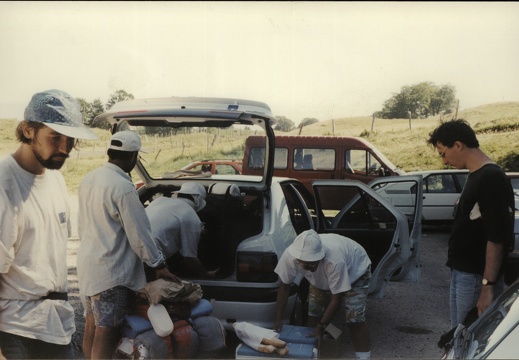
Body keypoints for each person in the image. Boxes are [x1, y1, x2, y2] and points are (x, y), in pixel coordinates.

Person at [0, 89, 97, 358]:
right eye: (55, 138)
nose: (64, 149)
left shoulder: (55, 179)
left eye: (70, 140)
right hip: (15, 332)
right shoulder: (4, 185)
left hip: (57, 326)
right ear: (28, 130)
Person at [77, 130, 180, 359]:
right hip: (111, 273)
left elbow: (82, 224)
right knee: (107, 331)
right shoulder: (123, 188)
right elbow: (140, 233)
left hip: (88, 266)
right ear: (133, 157)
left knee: (92, 324)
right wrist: (158, 264)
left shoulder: (89, 178)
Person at [427, 119, 514, 328]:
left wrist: (487, 287)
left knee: (468, 338)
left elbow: (497, 238)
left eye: (443, 153)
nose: (444, 161)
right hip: (464, 273)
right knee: (458, 335)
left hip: (476, 278)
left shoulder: (490, 176)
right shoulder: (476, 175)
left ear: (458, 145)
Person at [273, 230, 372, 359]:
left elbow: (336, 299)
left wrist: (321, 327)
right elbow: (284, 287)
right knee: (313, 318)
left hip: (356, 273)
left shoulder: (335, 260)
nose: (307, 267)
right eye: (304, 263)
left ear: (320, 255)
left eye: (312, 262)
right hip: (322, 278)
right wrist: (278, 319)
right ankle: (313, 356)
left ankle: (364, 357)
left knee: (354, 321)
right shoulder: (290, 256)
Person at [145, 182, 219, 279]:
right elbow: (189, 258)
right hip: (152, 258)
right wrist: (206, 274)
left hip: (128, 246)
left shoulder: (159, 201)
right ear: (198, 201)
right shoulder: (192, 217)